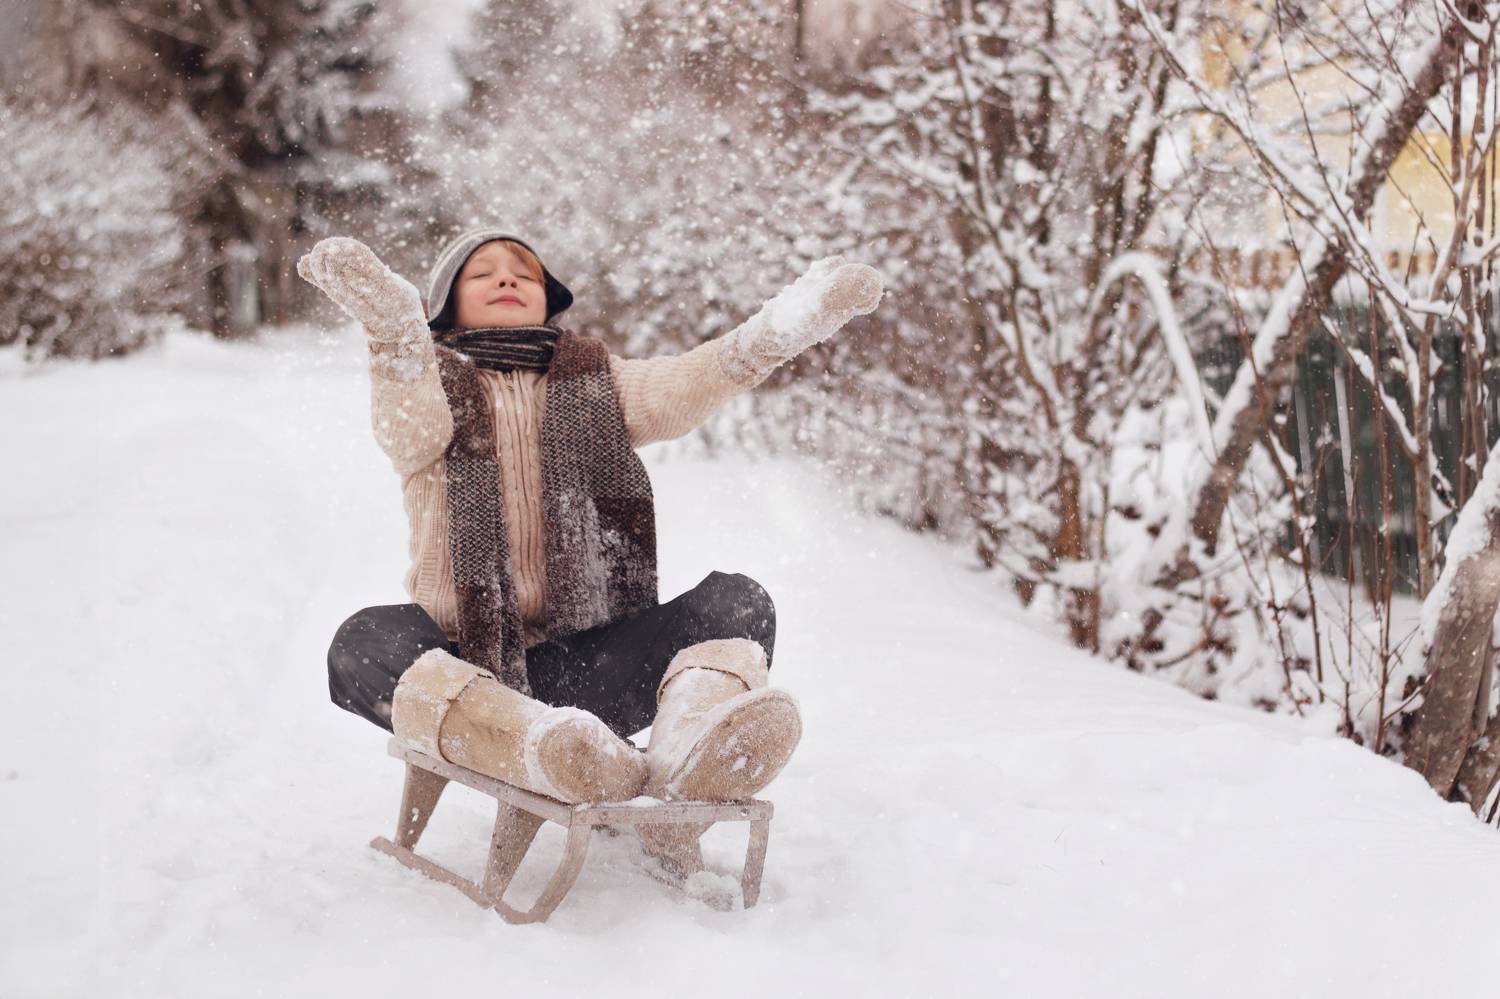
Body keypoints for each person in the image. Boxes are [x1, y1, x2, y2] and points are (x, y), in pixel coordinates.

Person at [300, 229, 882, 872]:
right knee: (362, 641)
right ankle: (538, 744)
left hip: (588, 666)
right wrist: (395, 333)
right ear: (446, 305)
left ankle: (683, 767)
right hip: (473, 674)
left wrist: (780, 330)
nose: (506, 278)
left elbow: (693, 379)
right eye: (482, 272)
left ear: (547, 298)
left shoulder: (597, 382)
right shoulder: (427, 385)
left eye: (524, 272)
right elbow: (407, 428)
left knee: (737, 602)